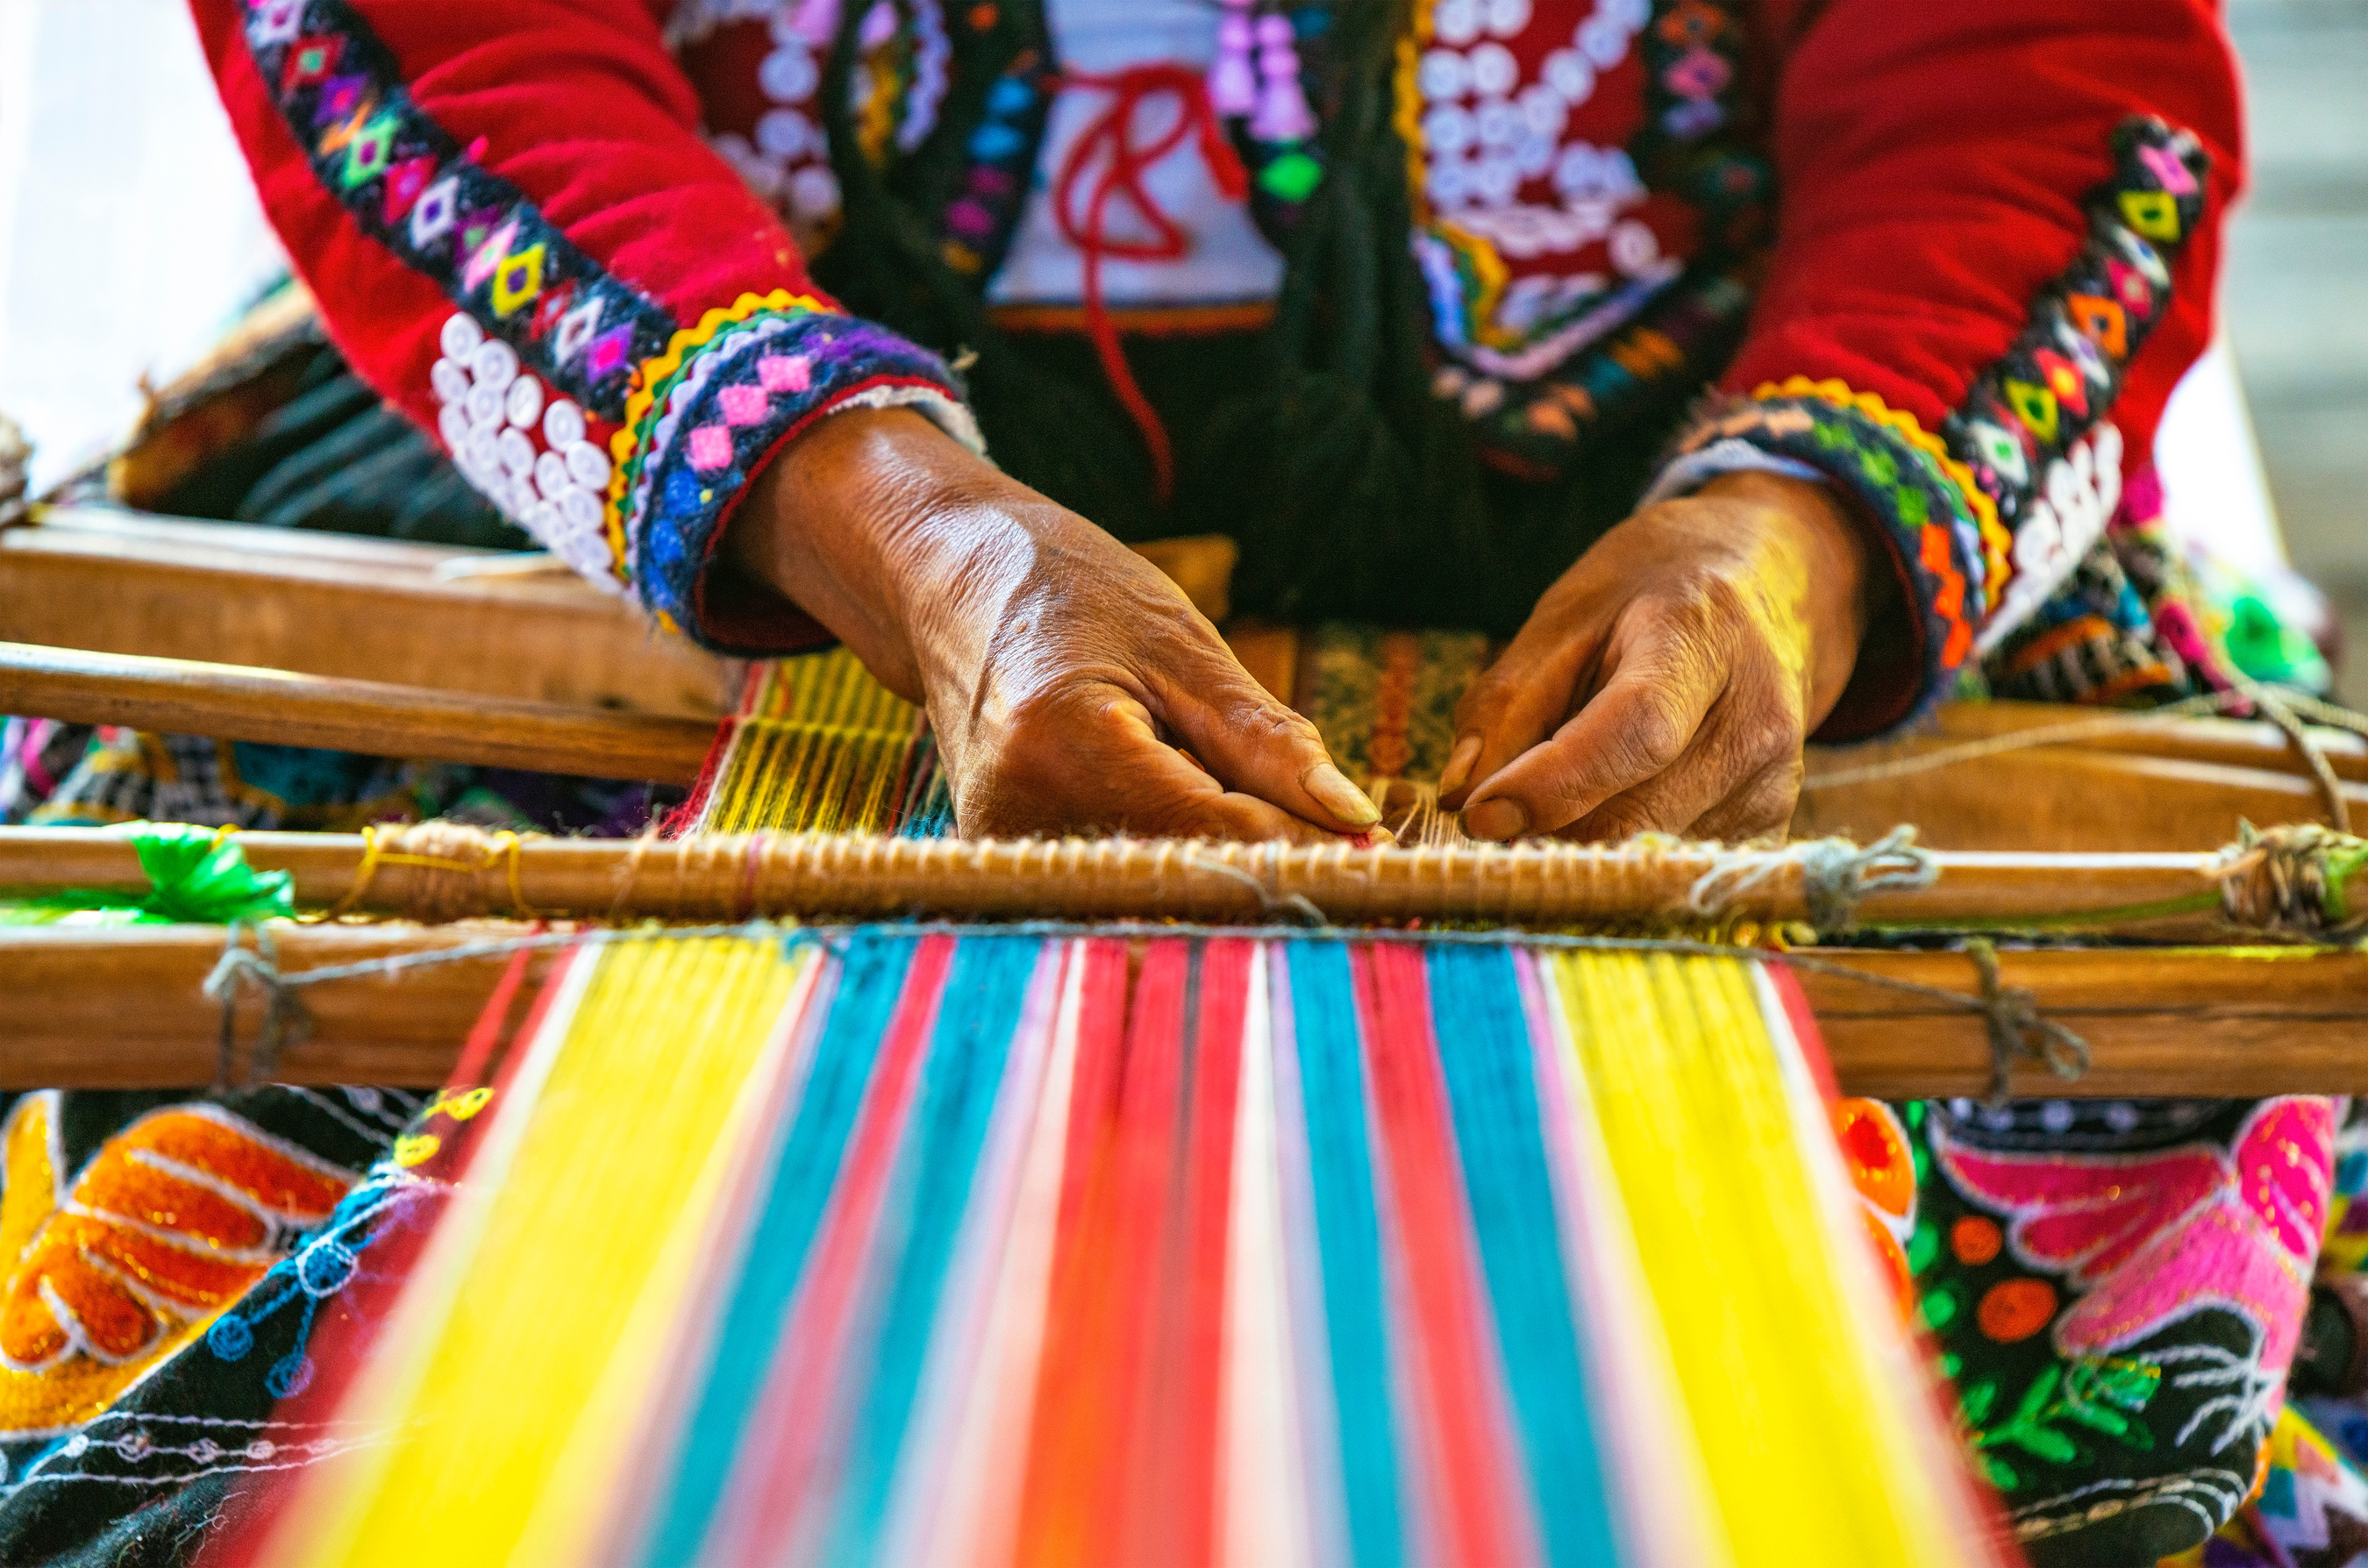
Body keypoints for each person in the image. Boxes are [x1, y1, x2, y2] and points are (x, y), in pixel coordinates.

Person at [190, 0, 2235, 852]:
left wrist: (1797, 540)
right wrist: (894, 525)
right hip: (688, 455)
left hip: (1718, 458)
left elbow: (2038, 68)